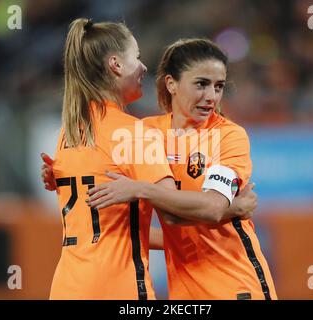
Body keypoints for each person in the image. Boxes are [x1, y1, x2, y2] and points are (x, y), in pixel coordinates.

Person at [46, 18, 255, 300]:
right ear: (116, 65)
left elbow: (112, 227)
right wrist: (233, 207)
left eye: (218, 86)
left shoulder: (69, 131)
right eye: (138, 57)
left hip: (67, 286)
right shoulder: (136, 132)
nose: (145, 67)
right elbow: (172, 213)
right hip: (118, 287)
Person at [85, 39, 278, 300]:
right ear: (171, 83)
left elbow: (211, 207)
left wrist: (142, 189)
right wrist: (57, 174)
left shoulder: (229, 136)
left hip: (236, 285)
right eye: (201, 84)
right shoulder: (146, 133)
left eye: (218, 86)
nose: (211, 96)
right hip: (183, 294)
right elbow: (170, 223)